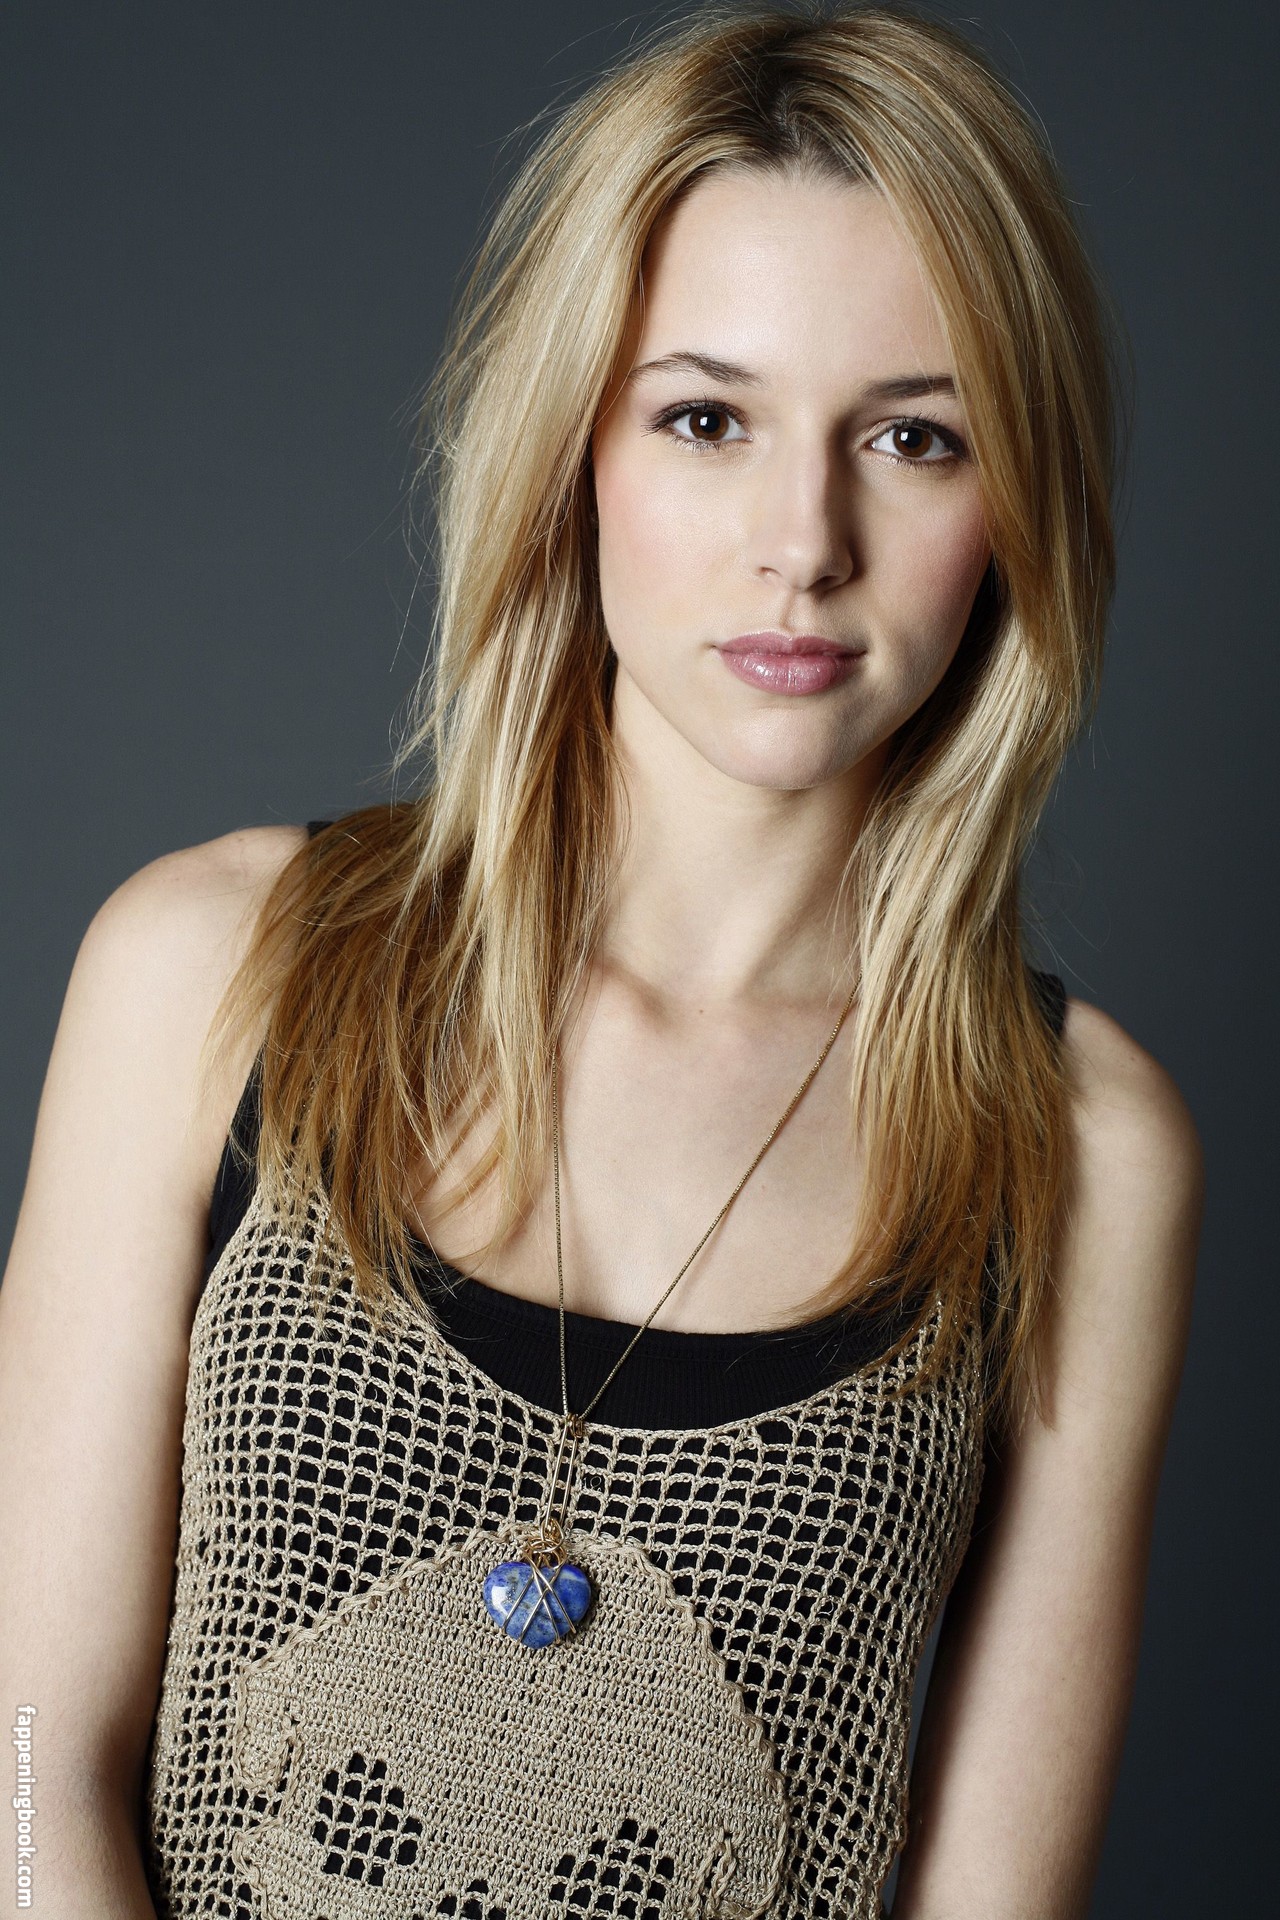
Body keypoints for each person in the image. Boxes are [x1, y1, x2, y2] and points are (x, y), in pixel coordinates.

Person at [0, 5, 1204, 1917]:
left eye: (914, 437)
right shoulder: (209, 972)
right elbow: (23, 1764)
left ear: (1013, 505)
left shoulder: (1078, 1154)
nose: (803, 543)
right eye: (707, 418)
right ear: (575, 445)